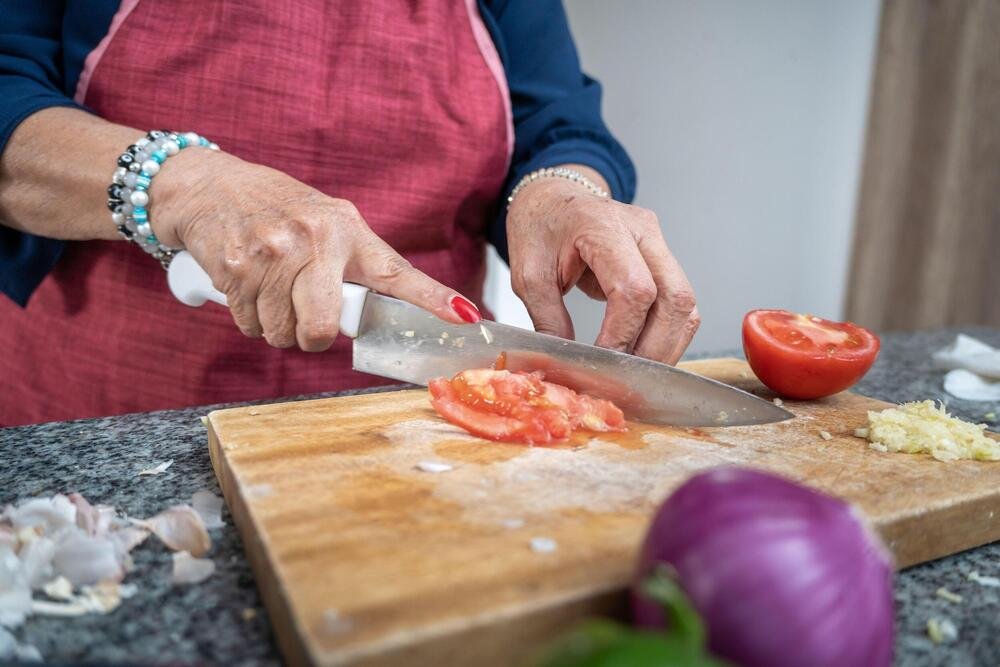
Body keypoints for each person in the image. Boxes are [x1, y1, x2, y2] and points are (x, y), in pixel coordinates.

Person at [0, 0, 699, 426]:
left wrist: (561, 189)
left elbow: (553, 119)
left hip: (406, 417)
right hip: (105, 403)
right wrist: (185, 186)